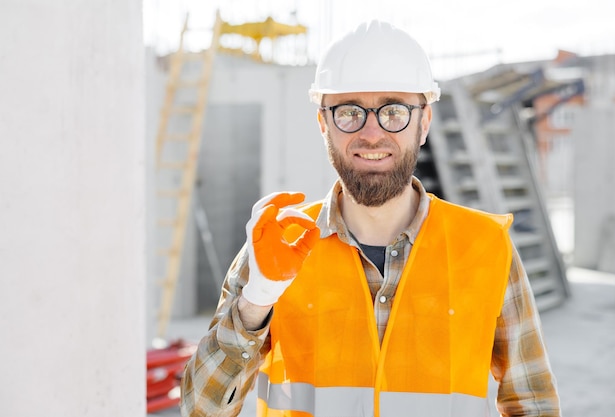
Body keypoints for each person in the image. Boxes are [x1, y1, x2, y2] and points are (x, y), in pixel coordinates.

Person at [180, 20, 561, 417]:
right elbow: (200, 409)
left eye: (393, 112)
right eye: (349, 112)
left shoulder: (484, 245)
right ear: (323, 124)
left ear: (424, 122)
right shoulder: (278, 247)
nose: (372, 133)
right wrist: (255, 303)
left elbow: (533, 404)